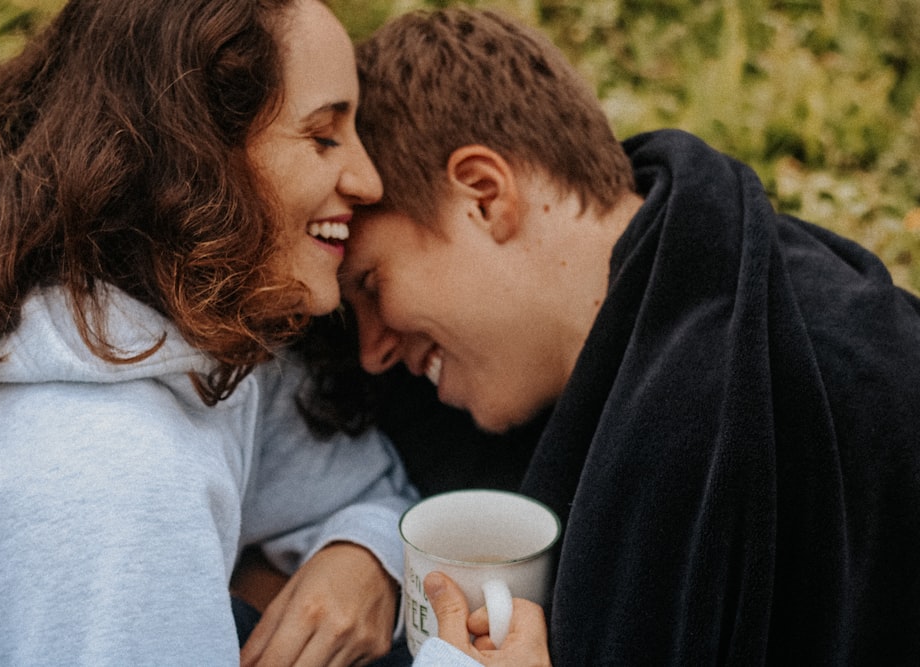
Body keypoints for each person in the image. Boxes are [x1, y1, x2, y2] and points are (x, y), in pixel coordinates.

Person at [343, 7, 920, 666]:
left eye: (371, 284)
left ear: (482, 195)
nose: (373, 348)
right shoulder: (556, 380)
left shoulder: (843, 379)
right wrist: (365, 549)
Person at [0, 0, 419, 664]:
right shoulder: (114, 476)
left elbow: (366, 490)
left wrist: (364, 556)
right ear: (199, 153)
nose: (368, 179)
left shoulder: (168, 338)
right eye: (323, 135)